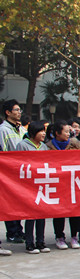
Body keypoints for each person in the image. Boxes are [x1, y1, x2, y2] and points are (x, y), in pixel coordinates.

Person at [47, 120, 80, 249]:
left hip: (72, 182)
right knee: (59, 212)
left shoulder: (75, 144)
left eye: (69, 131)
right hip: (57, 182)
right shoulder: (48, 147)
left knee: (74, 210)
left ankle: (74, 236)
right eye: (66, 131)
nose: (68, 134)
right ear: (57, 133)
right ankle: (59, 237)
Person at [17, 121, 51, 253]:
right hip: (28, 184)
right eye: (40, 131)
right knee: (31, 215)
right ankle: (29, 243)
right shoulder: (22, 145)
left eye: (44, 131)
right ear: (33, 132)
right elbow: (17, 164)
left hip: (41, 183)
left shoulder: (44, 147)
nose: (43, 134)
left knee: (42, 214)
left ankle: (40, 241)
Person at [1, 100, 26, 245]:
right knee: (9, 203)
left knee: (19, 203)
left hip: (21, 170)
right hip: (9, 171)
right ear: (8, 112)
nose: (19, 112)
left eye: (19, 110)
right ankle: (12, 232)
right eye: (16, 110)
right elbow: (3, 151)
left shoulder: (21, 129)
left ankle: (19, 230)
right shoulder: (3, 130)